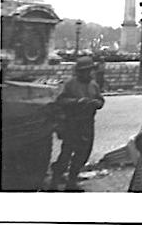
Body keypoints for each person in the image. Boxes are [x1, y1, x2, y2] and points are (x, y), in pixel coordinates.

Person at [50, 56, 105, 191]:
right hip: (72, 123)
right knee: (66, 154)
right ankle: (54, 182)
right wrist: (77, 102)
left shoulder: (93, 85)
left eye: (89, 70)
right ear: (79, 71)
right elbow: (60, 101)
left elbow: (100, 100)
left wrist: (96, 103)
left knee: (83, 154)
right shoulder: (70, 84)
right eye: (84, 71)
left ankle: (72, 182)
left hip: (87, 124)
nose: (88, 73)